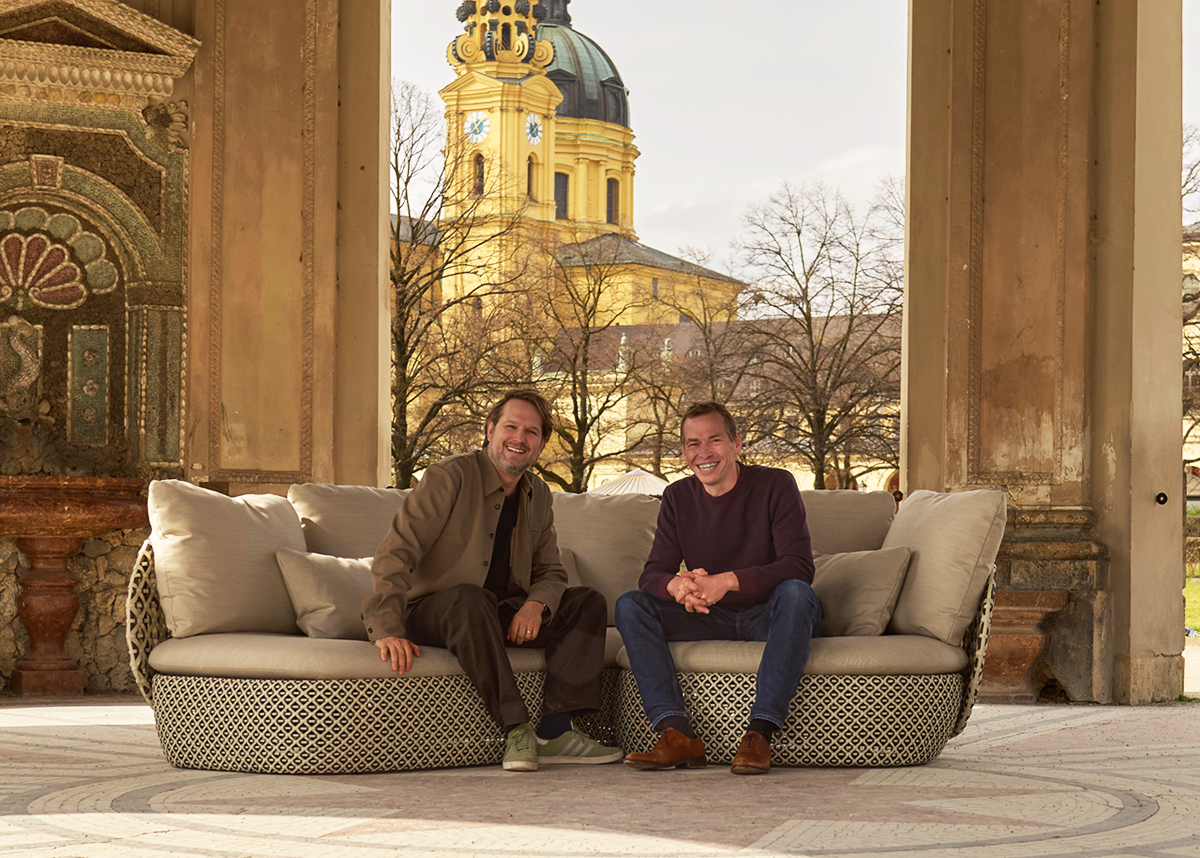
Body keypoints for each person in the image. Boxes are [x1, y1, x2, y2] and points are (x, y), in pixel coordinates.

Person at [363, 390, 622, 772]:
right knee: (471, 598)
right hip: (441, 611)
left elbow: (551, 571)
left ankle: (555, 730)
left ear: (541, 444)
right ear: (489, 430)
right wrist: (385, 626)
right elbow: (397, 551)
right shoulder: (448, 477)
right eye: (511, 427)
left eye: (531, 432)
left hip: (498, 615)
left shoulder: (539, 496)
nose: (520, 438)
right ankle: (516, 727)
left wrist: (536, 605)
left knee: (587, 602)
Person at [615, 401, 820, 775]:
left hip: (768, 616)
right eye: (693, 444)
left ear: (737, 443)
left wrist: (725, 582)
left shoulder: (776, 484)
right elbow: (652, 574)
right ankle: (677, 735)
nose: (704, 453)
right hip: (709, 618)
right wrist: (678, 587)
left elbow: (800, 566)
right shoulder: (677, 497)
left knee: (796, 593)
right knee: (631, 604)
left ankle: (759, 733)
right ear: (683, 453)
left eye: (714, 440)